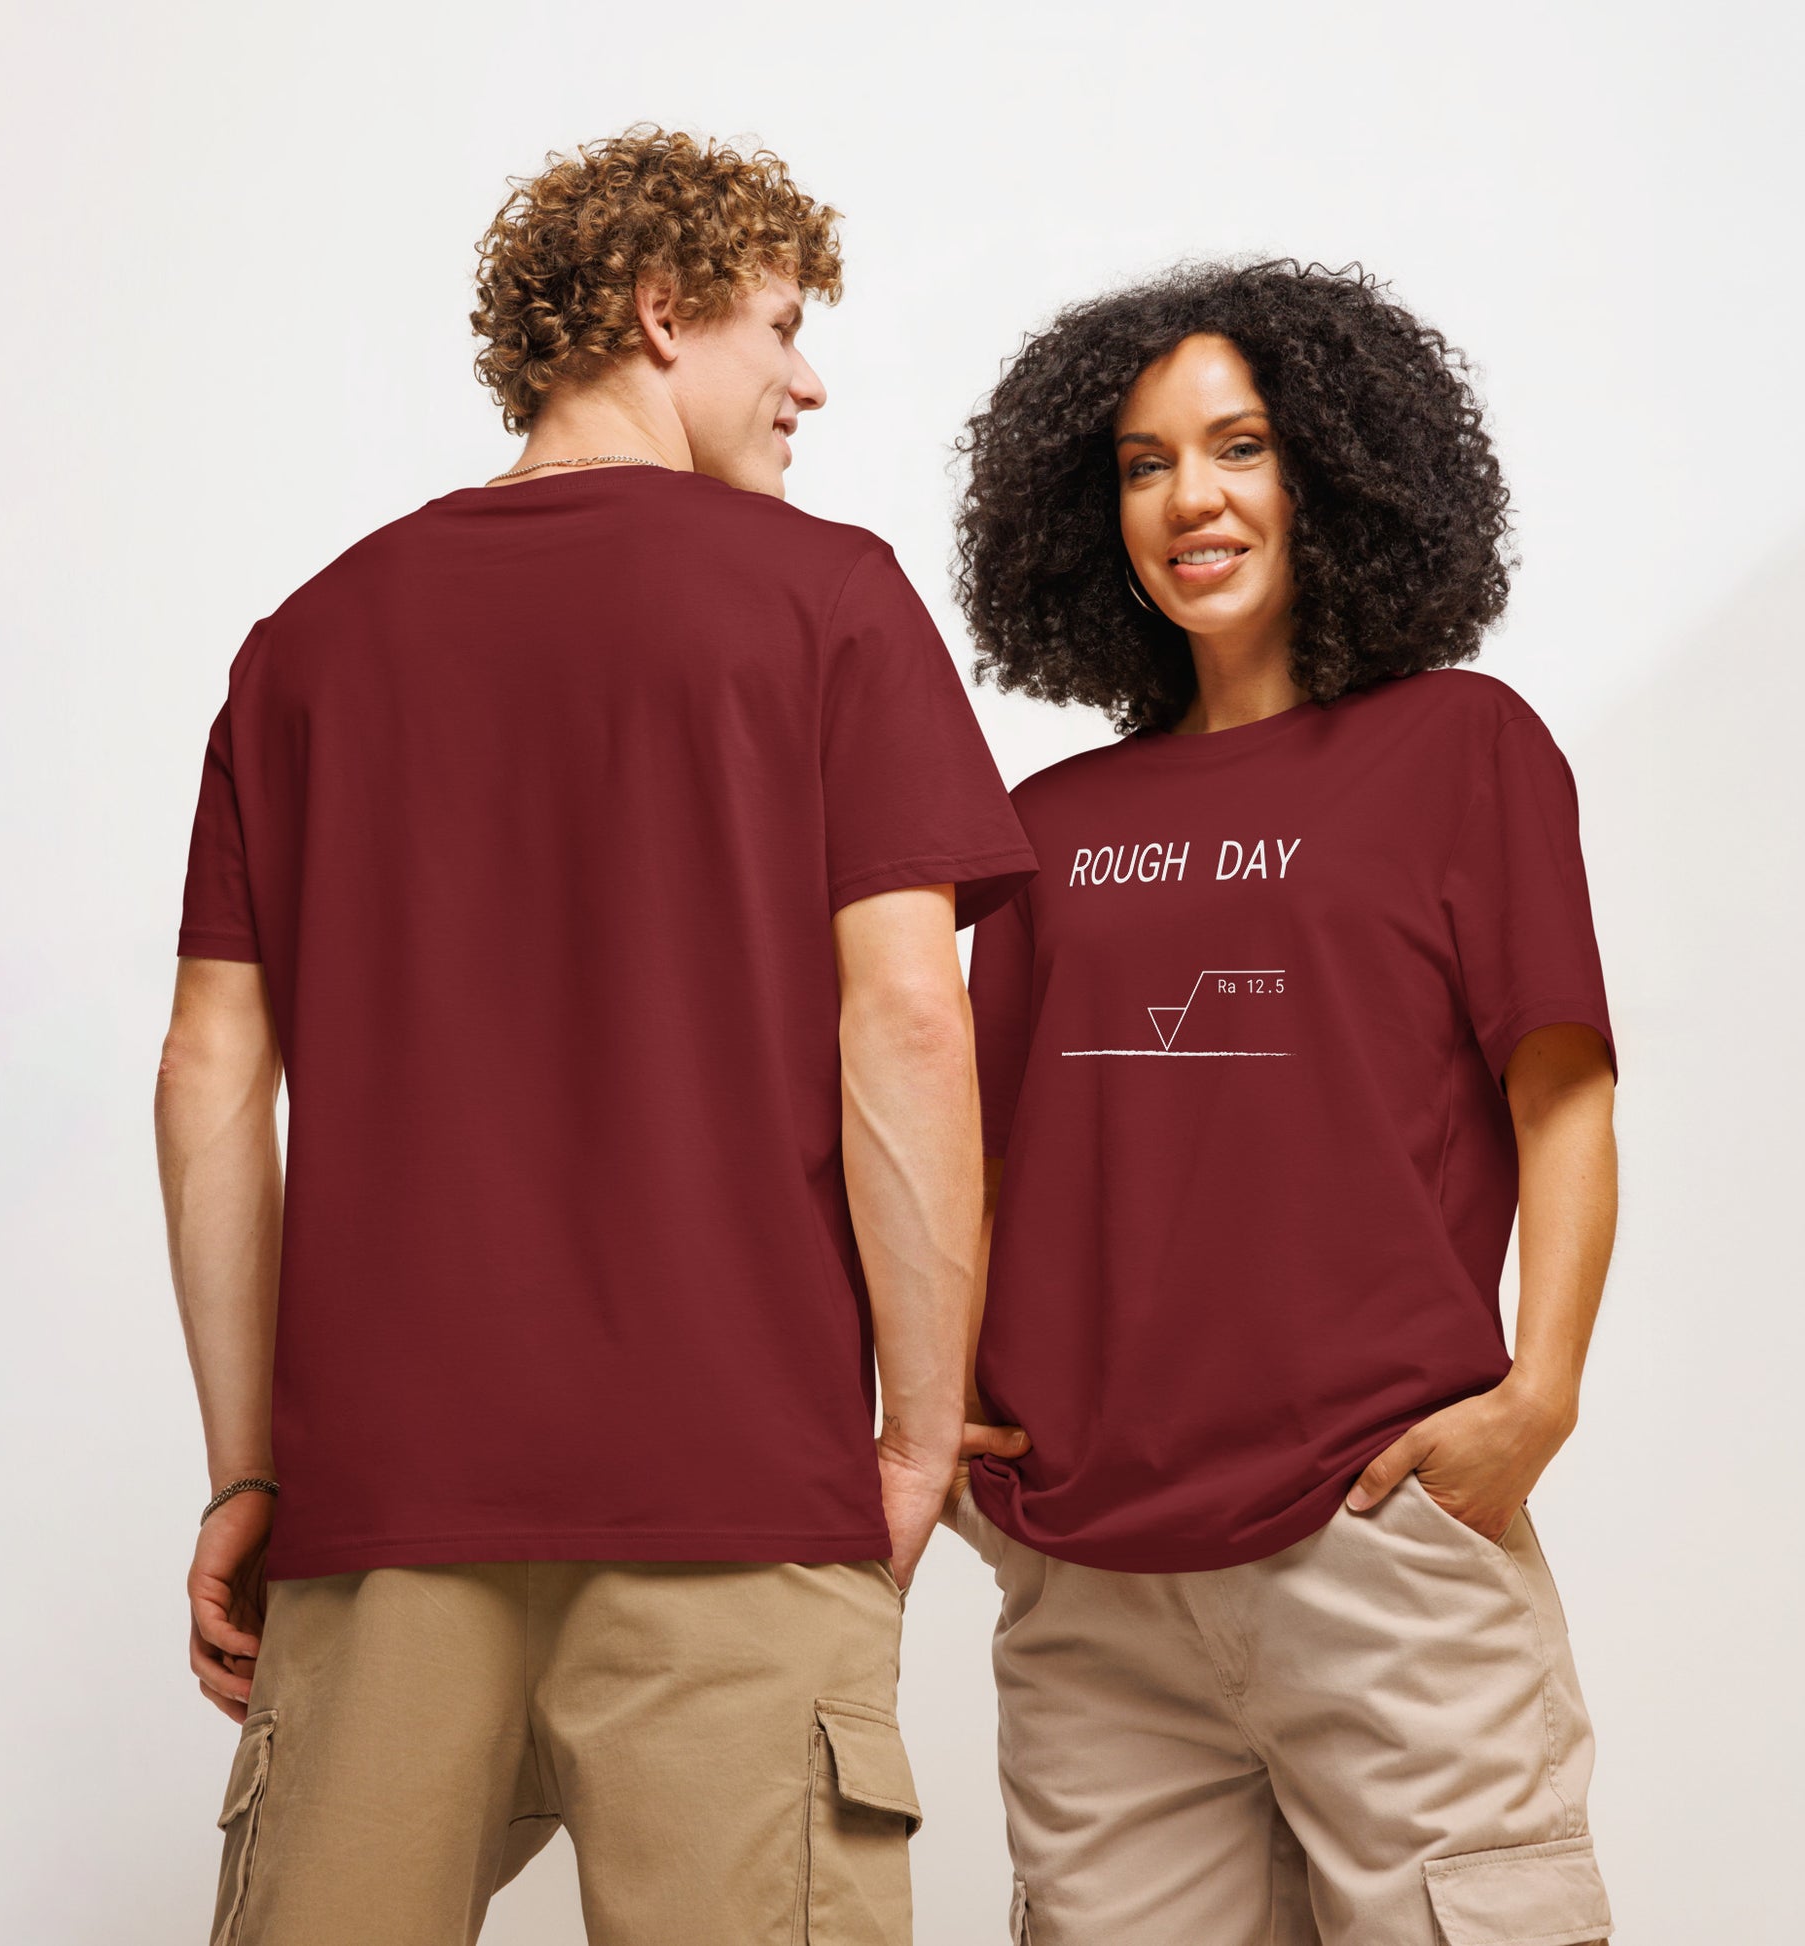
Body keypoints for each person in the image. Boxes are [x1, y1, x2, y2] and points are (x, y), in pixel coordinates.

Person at [156, 126, 1035, 1946]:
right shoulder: (829, 603)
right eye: (780, 325)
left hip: (381, 1501)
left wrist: (251, 1464)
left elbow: (212, 1079)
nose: (810, 377)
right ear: (658, 311)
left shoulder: (301, 647)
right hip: (735, 1488)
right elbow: (908, 1025)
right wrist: (918, 1431)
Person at [949, 261, 1618, 1946]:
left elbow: (1563, 1089)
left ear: (1328, 468)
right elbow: (987, 1152)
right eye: (1141, 461)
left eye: (1237, 445)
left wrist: (1537, 1391)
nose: (1191, 498)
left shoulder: (1462, 748)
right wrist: (932, 1397)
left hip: (1372, 1528)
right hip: (1088, 1564)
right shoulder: (1045, 821)